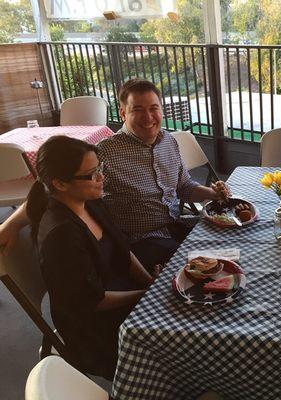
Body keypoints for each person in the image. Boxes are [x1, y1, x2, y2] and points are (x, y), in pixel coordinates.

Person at [0, 78, 230, 270]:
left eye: (153, 109)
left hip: (174, 226)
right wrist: (12, 224)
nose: (148, 117)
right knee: (213, 267)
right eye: (137, 110)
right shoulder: (104, 152)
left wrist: (213, 194)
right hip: (139, 244)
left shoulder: (168, 141)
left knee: (229, 241)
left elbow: (184, 187)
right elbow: (49, 187)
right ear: (122, 112)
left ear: (161, 110)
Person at [26, 136, 155, 379]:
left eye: (100, 168)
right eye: (92, 174)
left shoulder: (89, 202)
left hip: (120, 297)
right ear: (60, 184)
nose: (101, 177)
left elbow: (122, 250)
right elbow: (92, 301)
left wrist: (149, 282)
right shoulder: (61, 235)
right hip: (96, 330)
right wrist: (146, 294)